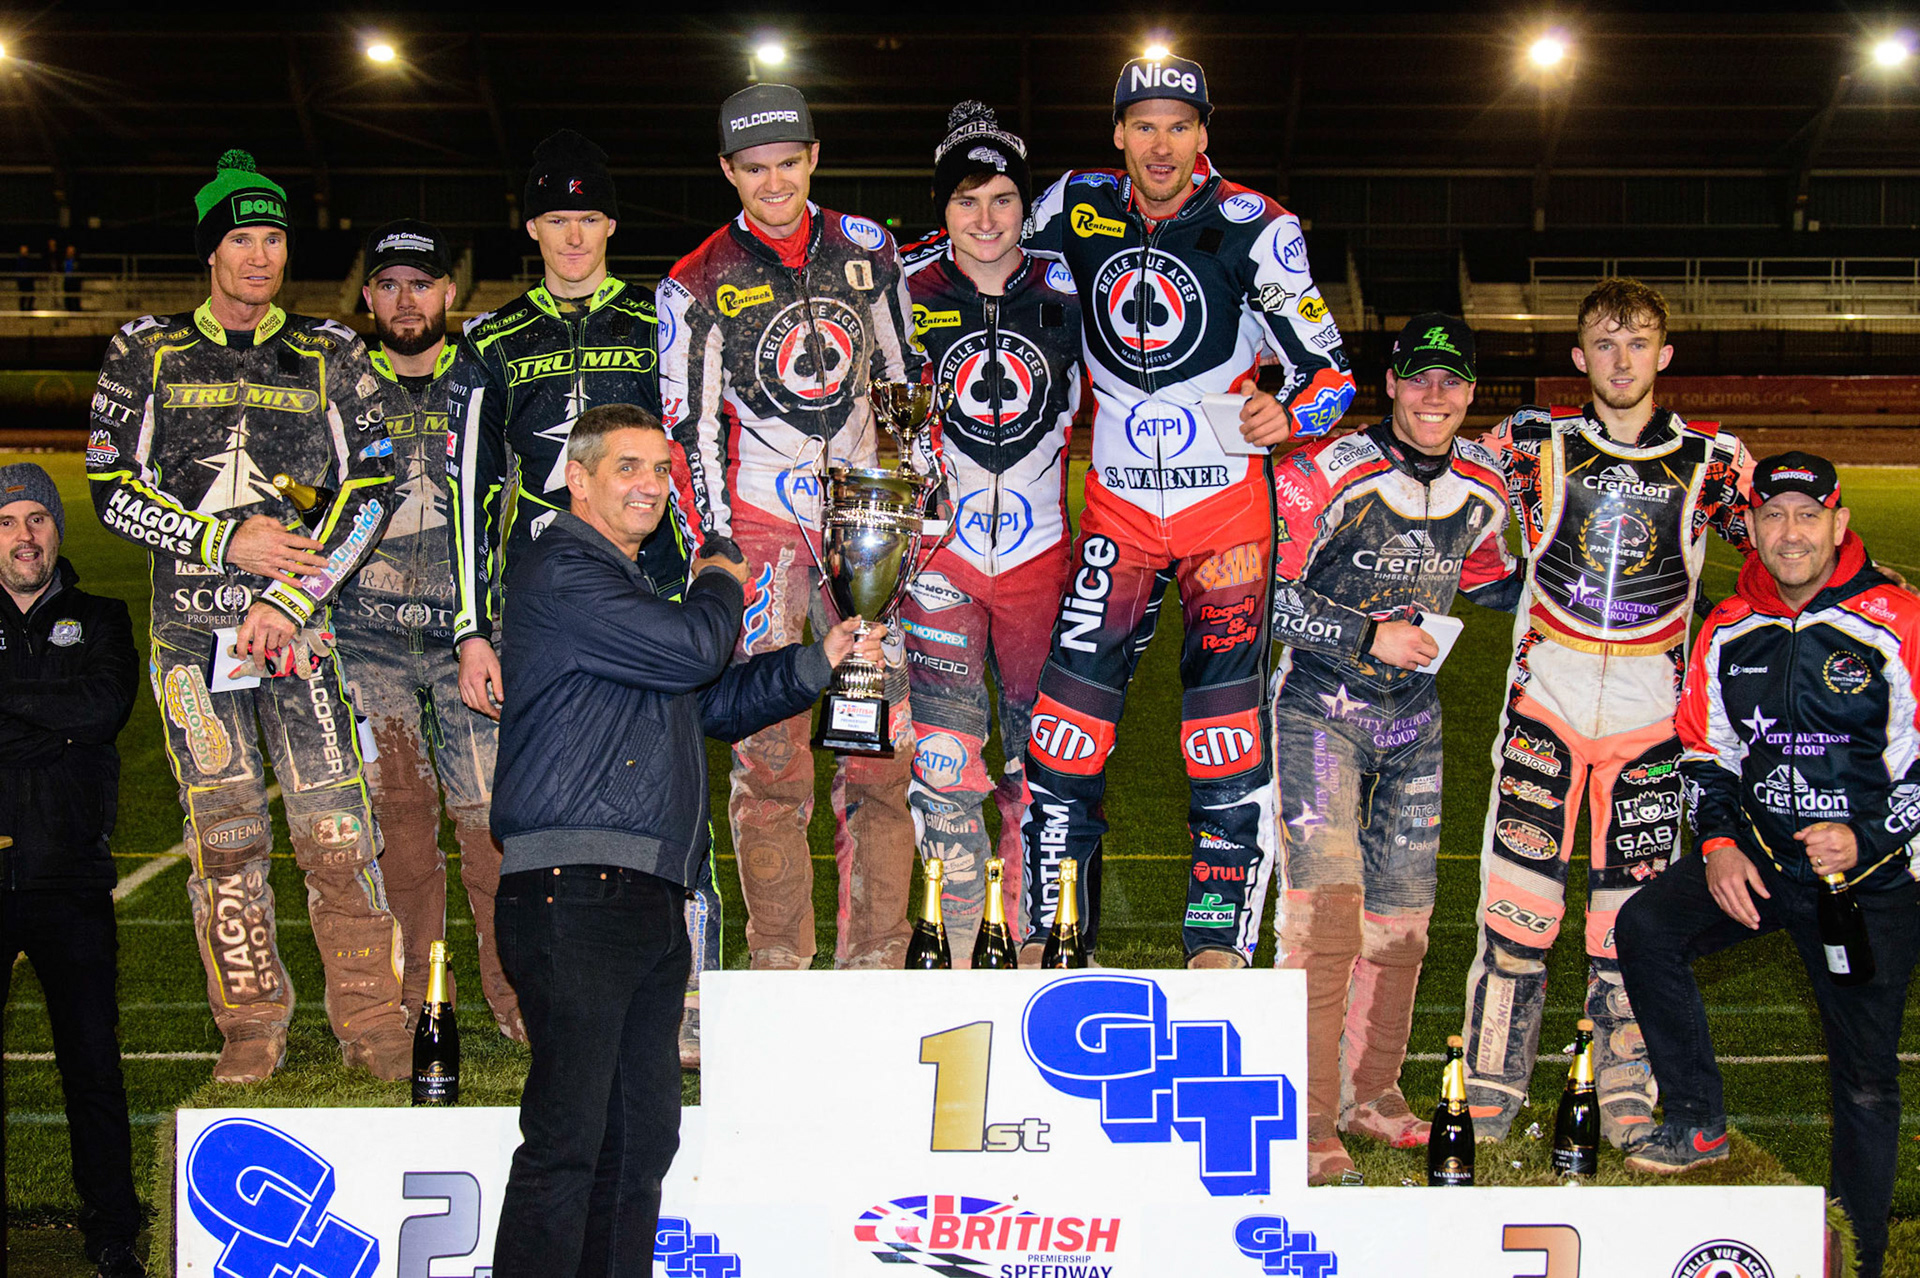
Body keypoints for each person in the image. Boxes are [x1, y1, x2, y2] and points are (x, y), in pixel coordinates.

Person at [487, 403, 879, 1278]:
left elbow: (713, 700)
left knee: (640, 1144)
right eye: (628, 467)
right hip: (572, 888)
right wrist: (718, 575)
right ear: (577, 480)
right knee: (568, 1143)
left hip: (648, 893)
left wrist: (821, 659)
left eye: (662, 470)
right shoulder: (561, 567)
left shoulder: (626, 601)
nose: (652, 485)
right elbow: (699, 648)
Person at [1016, 54, 1356, 966]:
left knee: (1223, 743)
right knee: (1061, 743)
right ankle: (1058, 937)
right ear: (1117, 133)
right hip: (1118, 519)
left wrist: (1291, 414)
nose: (1160, 144)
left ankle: (1218, 944)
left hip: (1225, 524)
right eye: (1143, 124)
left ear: (1204, 135)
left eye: (1179, 125)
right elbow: (992, 271)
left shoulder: (1259, 226)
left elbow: (1334, 375)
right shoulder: (1068, 206)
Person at [86, 148, 408, 1083]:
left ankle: (374, 1025)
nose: (260, 255)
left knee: (337, 831)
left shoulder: (330, 353)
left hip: (299, 637)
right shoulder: (143, 351)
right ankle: (251, 1027)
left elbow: (374, 486)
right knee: (225, 840)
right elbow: (110, 487)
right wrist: (227, 545)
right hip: (191, 641)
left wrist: (290, 593)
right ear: (211, 251)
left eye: (273, 237)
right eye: (241, 238)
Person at [1457, 277, 1756, 1146]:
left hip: (1653, 724)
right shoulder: (1528, 444)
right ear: (1578, 357)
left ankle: (1626, 1102)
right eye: (1604, 345)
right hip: (1542, 708)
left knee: (1627, 923)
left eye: (1639, 345)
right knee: (1514, 913)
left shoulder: (1713, 460)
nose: (1621, 362)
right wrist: (1489, 585)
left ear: (1664, 356)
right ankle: (1485, 1100)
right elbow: (1444, 495)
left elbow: (1781, 548)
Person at [1617, 452, 1920, 1278]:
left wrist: (1869, 836)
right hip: (1760, 864)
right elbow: (1704, 749)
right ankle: (1697, 1120)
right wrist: (1717, 844)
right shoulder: (1725, 626)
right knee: (1645, 926)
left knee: (1863, 1078)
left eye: (1807, 516)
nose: (1790, 533)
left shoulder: (1898, 618)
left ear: (1838, 523)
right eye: (1773, 516)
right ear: (1749, 526)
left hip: (1871, 886)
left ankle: (1856, 1245)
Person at [445, 129, 712, 1064]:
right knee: (555, 800)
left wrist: (705, 576)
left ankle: (684, 1001)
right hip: (551, 615)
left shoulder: (659, 328)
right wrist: (476, 632)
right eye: (555, 220)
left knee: (680, 792)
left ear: (609, 224)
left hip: (655, 603)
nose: (572, 236)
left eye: (587, 218)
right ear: (533, 227)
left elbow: (697, 457)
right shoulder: (493, 341)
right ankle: (568, 994)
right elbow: (469, 494)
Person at [658, 83, 927, 970]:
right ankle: (778, 968)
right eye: (754, 168)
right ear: (728, 171)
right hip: (767, 526)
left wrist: (906, 501)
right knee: (770, 761)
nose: (774, 183)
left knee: (881, 749)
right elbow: (686, 431)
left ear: (814, 157)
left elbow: (901, 378)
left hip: (866, 527)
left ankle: (877, 965)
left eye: (788, 162)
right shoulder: (694, 281)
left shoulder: (867, 248)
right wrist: (718, 544)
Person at [1266, 316, 1520, 1183]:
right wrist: (1363, 635)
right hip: (1318, 715)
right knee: (1325, 922)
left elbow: (1487, 577)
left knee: (1404, 928)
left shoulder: (1484, 482)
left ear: (1472, 393)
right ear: (1391, 384)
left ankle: (1372, 1096)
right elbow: (1261, 590)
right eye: (1419, 379)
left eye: (1452, 382)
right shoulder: (1328, 469)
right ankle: (1301, 1118)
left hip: (1416, 724)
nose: (1436, 397)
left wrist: (1585, 589)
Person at [896, 101, 1081, 963]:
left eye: (1002, 198)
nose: (984, 219)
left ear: (1024, 204)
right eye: (966, 200)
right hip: (942, 561)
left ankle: (1048, 945)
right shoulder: (903, 288)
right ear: (943, 209)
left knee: (1049, 771)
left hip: (1045, 561)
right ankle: (955, 944)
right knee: (945, 766)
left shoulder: (1071, 287)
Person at [334, 220, 521, 1040]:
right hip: (366, 638)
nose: (406, 300)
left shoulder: (484, 375)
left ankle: (516, 999)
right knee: (401, 830)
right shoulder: (339, 383)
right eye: (388, 284)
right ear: (368, 296)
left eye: (422, 283)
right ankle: (419, 1002)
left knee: (491, 825)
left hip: (469, 640)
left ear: (451, 293)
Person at [0, 466, 146, 1276]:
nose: (26, 535)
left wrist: (23, 712)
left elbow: (100, 713)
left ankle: (112, 1230)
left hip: (71, 878)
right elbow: (71, 716)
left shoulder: (102, 616)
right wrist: (53, 721)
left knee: (92, 1065)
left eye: (39, 520)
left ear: (58, 530)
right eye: (9, 520)